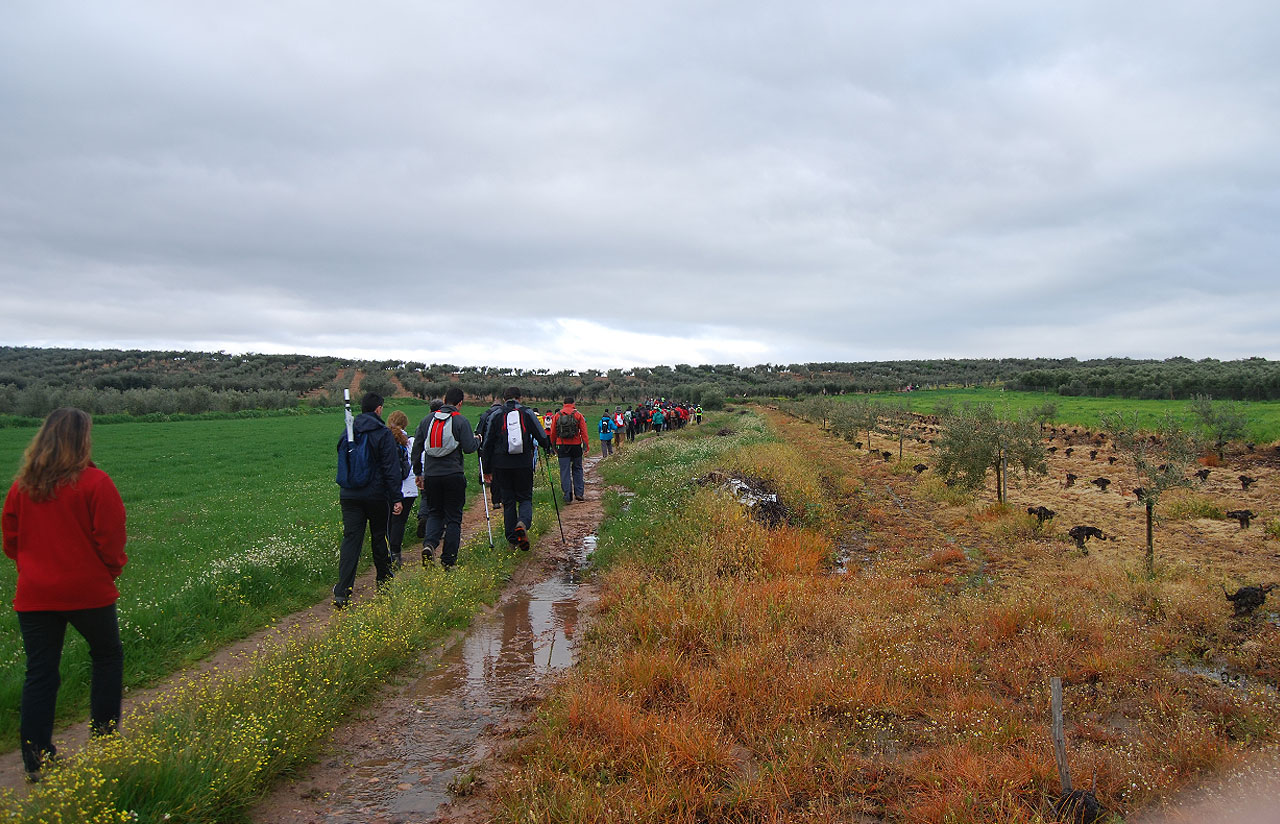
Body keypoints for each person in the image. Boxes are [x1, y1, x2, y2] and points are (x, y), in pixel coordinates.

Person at [2, 408, 127, 783]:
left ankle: (37, 760)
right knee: (106, 657)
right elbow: (111, 537)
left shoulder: (22, 486)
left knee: (40, 673)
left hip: (35, 594)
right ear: (82, 439)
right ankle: (105, 742)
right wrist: (110, 569)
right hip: (87, 590)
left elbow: (11, 540)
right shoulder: (95, 482)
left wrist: (34, 567)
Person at [333, 392, 402, 609]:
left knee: (351, 540)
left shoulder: (348, 431)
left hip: (349, 495)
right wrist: (396, 497)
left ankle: (342, 591)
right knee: (379, 537)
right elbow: (391, 469)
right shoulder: (382, 433)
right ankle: (384, 583)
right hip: (375, 495)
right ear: (379, 409)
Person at [411, 386, 479, 569]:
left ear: (444, 399)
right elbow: (469, 448)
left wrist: (418, 473)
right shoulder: (460, 421)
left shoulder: (427, 420)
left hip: (432, 475)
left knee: (434, 512)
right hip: (453, 474)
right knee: (453, 518)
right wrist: (478, 440)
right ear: (460, 403)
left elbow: (417, 448)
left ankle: (429, 544)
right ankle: (448, 561)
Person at [480, 386, 551, 551]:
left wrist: (487, 469)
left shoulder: (496, 415)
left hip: (501, 464)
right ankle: (523, 523)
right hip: (523, 463)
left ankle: (512, 541)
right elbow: (541, 436)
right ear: (520, 398)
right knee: (525, 497)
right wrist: (547, 447)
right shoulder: (527, 413)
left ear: (504, 399)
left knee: (509, 501)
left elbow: (488, 443)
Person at [385, 410, 417, 569]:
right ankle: (396, 554)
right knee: (399, 522)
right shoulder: (410, 441)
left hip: (389, 488)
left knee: (389, 521)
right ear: (405, 424)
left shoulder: (385, 440)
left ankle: (386, 553)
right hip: (409, 489)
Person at [548, 395, 589, 503]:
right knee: (578, 469)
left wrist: (553, 446)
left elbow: (552, 433)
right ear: (573, 403)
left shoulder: (557, 415)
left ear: (563, 404)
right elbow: (584, 432)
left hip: (562, 445)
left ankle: (567, 495)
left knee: (564, 471)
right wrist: (585, 446)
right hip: (576, 445)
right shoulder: (578, 415)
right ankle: (579, 493)